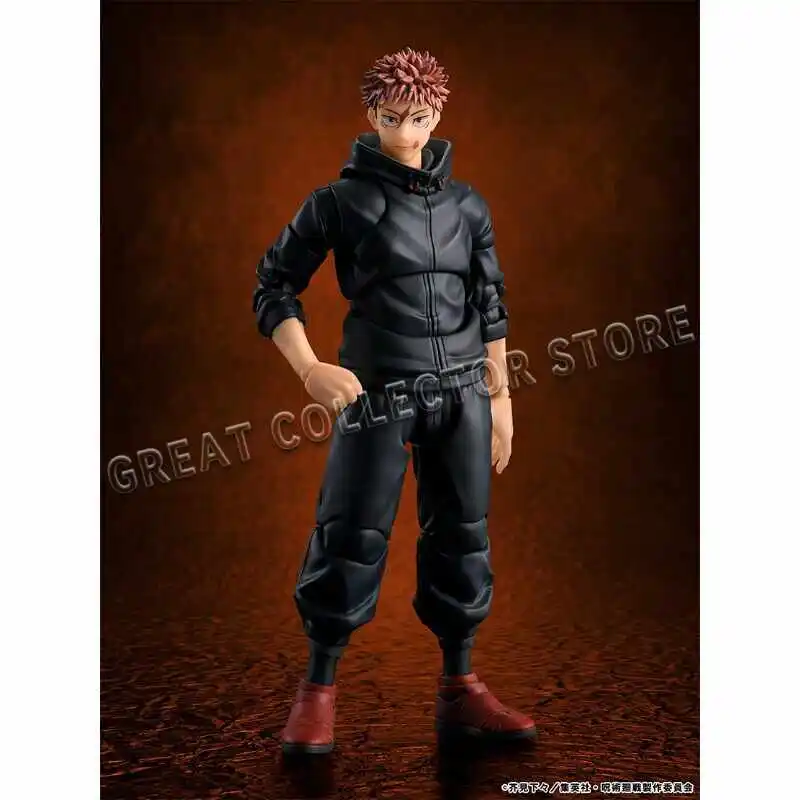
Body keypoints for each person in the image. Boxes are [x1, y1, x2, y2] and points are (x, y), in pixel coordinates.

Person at [253, 47, 536, 755]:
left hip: (463, 390)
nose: (405, 133)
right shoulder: (339, 202)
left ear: (437, 115)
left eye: (418, 117)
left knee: (463, 534)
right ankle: (318, 690)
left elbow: (490, 302)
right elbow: (274, 285)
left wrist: (500, 396)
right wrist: (309, 369)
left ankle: (460, 686)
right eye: (390, 117)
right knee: (351, 532)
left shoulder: (468, 205)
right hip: (378, 389)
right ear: (371, 116)